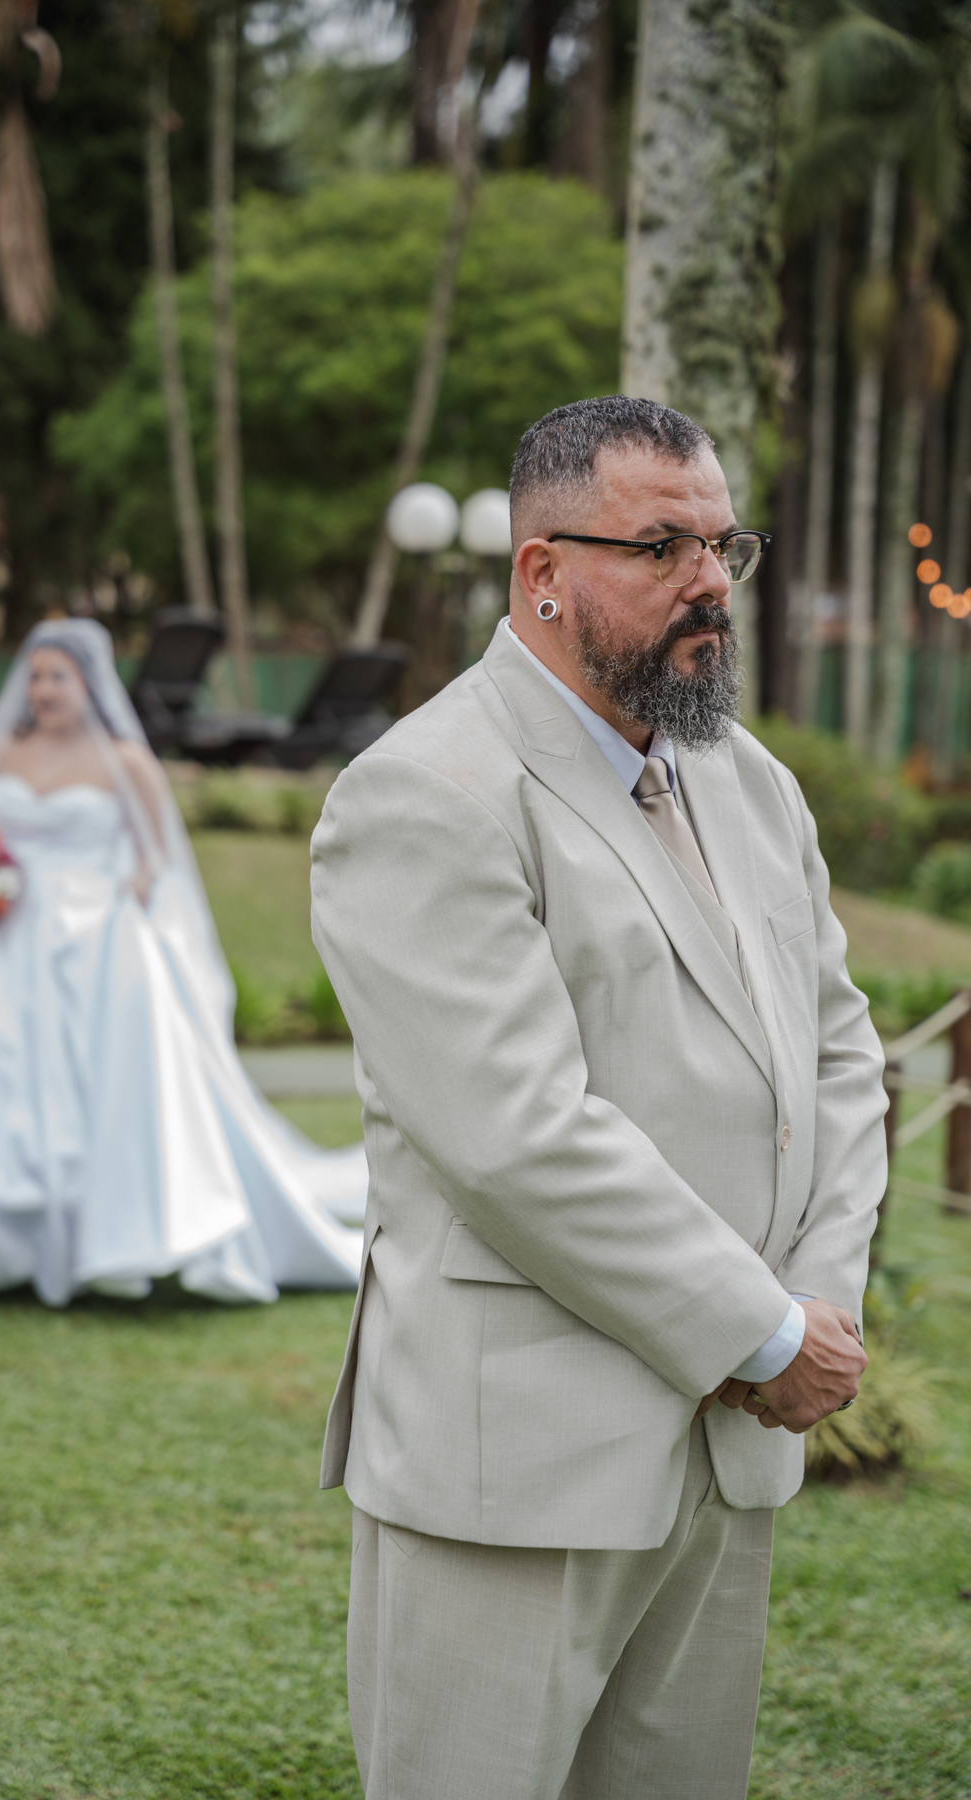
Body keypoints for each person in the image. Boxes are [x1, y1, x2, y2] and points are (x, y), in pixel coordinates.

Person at [310, 396, 885, 1800]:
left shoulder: (751, 784)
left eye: (724, 547)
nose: (709, 584)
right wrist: (759, 1332)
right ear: (542, 573)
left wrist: (820, 1304)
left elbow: (841, 1055)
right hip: (516, 1463)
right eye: (663, 548)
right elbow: (520, 1139)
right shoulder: (423, 795)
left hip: (729, 1450)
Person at [0, 618, 363, 1308]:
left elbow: (156, 855)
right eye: (35, 676)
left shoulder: (125, 761)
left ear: (88, 684)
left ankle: (105, 1237)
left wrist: (130, 889)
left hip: (92, 927)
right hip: (1, 925)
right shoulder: (3, 753)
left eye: (57, 677)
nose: (43, 690)